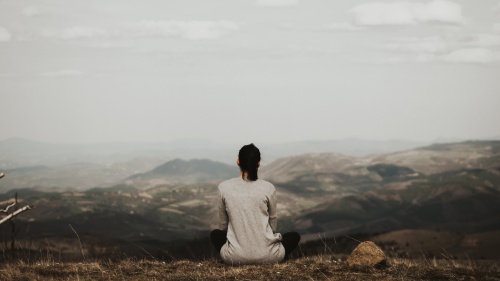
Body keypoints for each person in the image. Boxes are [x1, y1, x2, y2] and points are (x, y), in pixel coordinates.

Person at [210, 143, 300, 265]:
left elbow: (223, 226)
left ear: (238, 162)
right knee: (294, 236)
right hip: (269, 257)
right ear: (258, 163)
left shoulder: (223, 187)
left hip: (234, 258)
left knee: (215, 234)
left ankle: (238, 254)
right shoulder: (268, 187)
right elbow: (272, 224)